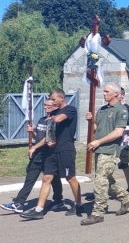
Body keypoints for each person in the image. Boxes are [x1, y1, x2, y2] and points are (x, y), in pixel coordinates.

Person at [20, 89, 83, 219]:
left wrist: (51, 117)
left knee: (70, 178)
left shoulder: (70, 110)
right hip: (52, 152)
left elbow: (59, 119)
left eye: (54, 99)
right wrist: (37, 146)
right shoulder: (53, 113)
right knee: (46, 178)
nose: (52, 102)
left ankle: (78, 204)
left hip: (65, 150)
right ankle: (39, 210)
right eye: (51, 99)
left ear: (62, 98)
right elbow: (49, 135)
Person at [81, 82, 129, 225]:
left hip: (110, 151)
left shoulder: (121, 110)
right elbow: (96, 128)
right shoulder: (102, 110)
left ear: (116, 94)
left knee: (100, 180)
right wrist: (90, 120)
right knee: (107, 180)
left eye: (106, 92)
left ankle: (98, 213)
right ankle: (126, 198)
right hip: (99, 150)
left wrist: (98, 142)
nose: (104, 94)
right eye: (104, 91)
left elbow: (118, 132)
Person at [2, 99, 63, 214]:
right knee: (30, 179)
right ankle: (19, 203)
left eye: (49, 105)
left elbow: (48, 139)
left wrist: (34, 147)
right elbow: (38, 138)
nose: (45, 107)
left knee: (54, 179)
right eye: (45, 105)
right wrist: (32, 132)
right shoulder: (42, 119)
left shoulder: (54, 121)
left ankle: (58, 200)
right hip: (38, 155)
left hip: (49, 155)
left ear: (55, 107)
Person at [116, 88, 129, 195]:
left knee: (124, 165)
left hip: (123, 142)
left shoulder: (126, 108)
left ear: (122, 95)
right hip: (112, 142)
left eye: (118, 94)